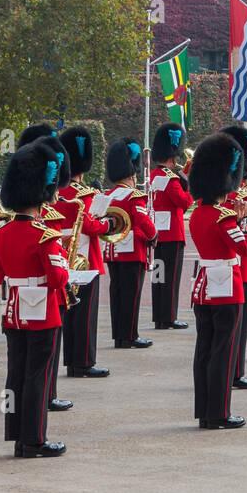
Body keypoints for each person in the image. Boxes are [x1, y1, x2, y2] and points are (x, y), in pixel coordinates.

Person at [0, 140, 69, 457]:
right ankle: (34, 439)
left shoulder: (1, 232)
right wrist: (62, 254)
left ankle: (17, 433)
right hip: (42, 312)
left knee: (17, 373)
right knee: (38, 375)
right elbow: (58, 278)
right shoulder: (44, 234)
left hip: (13, 312)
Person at [187, 132, 247, 429]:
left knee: (204, 349)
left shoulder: (199, 214)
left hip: (204, 285)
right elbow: (244, 248)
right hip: (226, 287)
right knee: (223, 351)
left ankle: (204, 411)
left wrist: (240, 220)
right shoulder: (221, 216)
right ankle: (219, 413)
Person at [57, 126, 111, 377]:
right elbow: (90, 224)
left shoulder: (55, 192)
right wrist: (107, 224)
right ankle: (83, 363)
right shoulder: (84, 193)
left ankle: (71, 361)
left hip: (60, 254)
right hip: (85, 258)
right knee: (85, 314)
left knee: (69, 311)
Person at [220, 124, 247, 388]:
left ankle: (233, 371)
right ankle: (235, 373)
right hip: (240, 267)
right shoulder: (241, 200)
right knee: (237, 327)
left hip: (219, 271)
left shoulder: (221, 200)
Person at [103, 137, 157, 351]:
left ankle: (119, 335)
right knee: (131, 295)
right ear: (132, 171)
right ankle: (130, 335)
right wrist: (153, 237)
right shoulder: (134, 196)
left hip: (113, 250)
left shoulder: (108, 194)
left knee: (116, 294)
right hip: (133, 251)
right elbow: (144, 222)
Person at [148, 122, 192, 331]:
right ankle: (168, 317)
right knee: (170, 278)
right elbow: (184, 202)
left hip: (157, 232)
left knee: (158, 277)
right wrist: (190, 186)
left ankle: (159, 316)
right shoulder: (170, 178)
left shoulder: (154, 175)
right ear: (173, 155)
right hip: (172, 234)